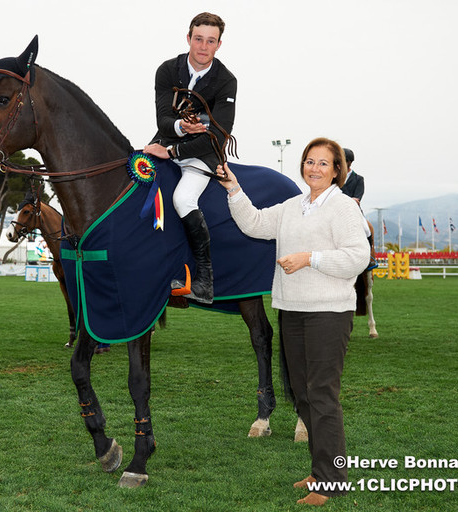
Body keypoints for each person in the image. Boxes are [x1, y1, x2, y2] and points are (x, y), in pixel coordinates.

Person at [217, 138, 370, 507]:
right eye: (309, 161)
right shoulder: (291, 207)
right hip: (292, 310)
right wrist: (234, 188)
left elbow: (358, 255)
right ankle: (320, 471)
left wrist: (310, 258)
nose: (314, 168)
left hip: (329, 313)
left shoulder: (343, 208)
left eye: (323, 163)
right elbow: (254, 223)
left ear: (337, 171)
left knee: (321, 395)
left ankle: (332, 482)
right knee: (303, 395)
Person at [143, 12, 237, 304]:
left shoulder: (226, 81)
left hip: (204, 153)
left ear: (219, 45)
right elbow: (162, 119)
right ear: (188, 38)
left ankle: (204, 280)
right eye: (198, 39)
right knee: (135, 183)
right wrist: (180, 127)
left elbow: (219, 135)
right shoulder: (167, 70)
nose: (203, 46)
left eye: (211, 41)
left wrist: (173, 151)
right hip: (165, 140)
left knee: (183, 199)